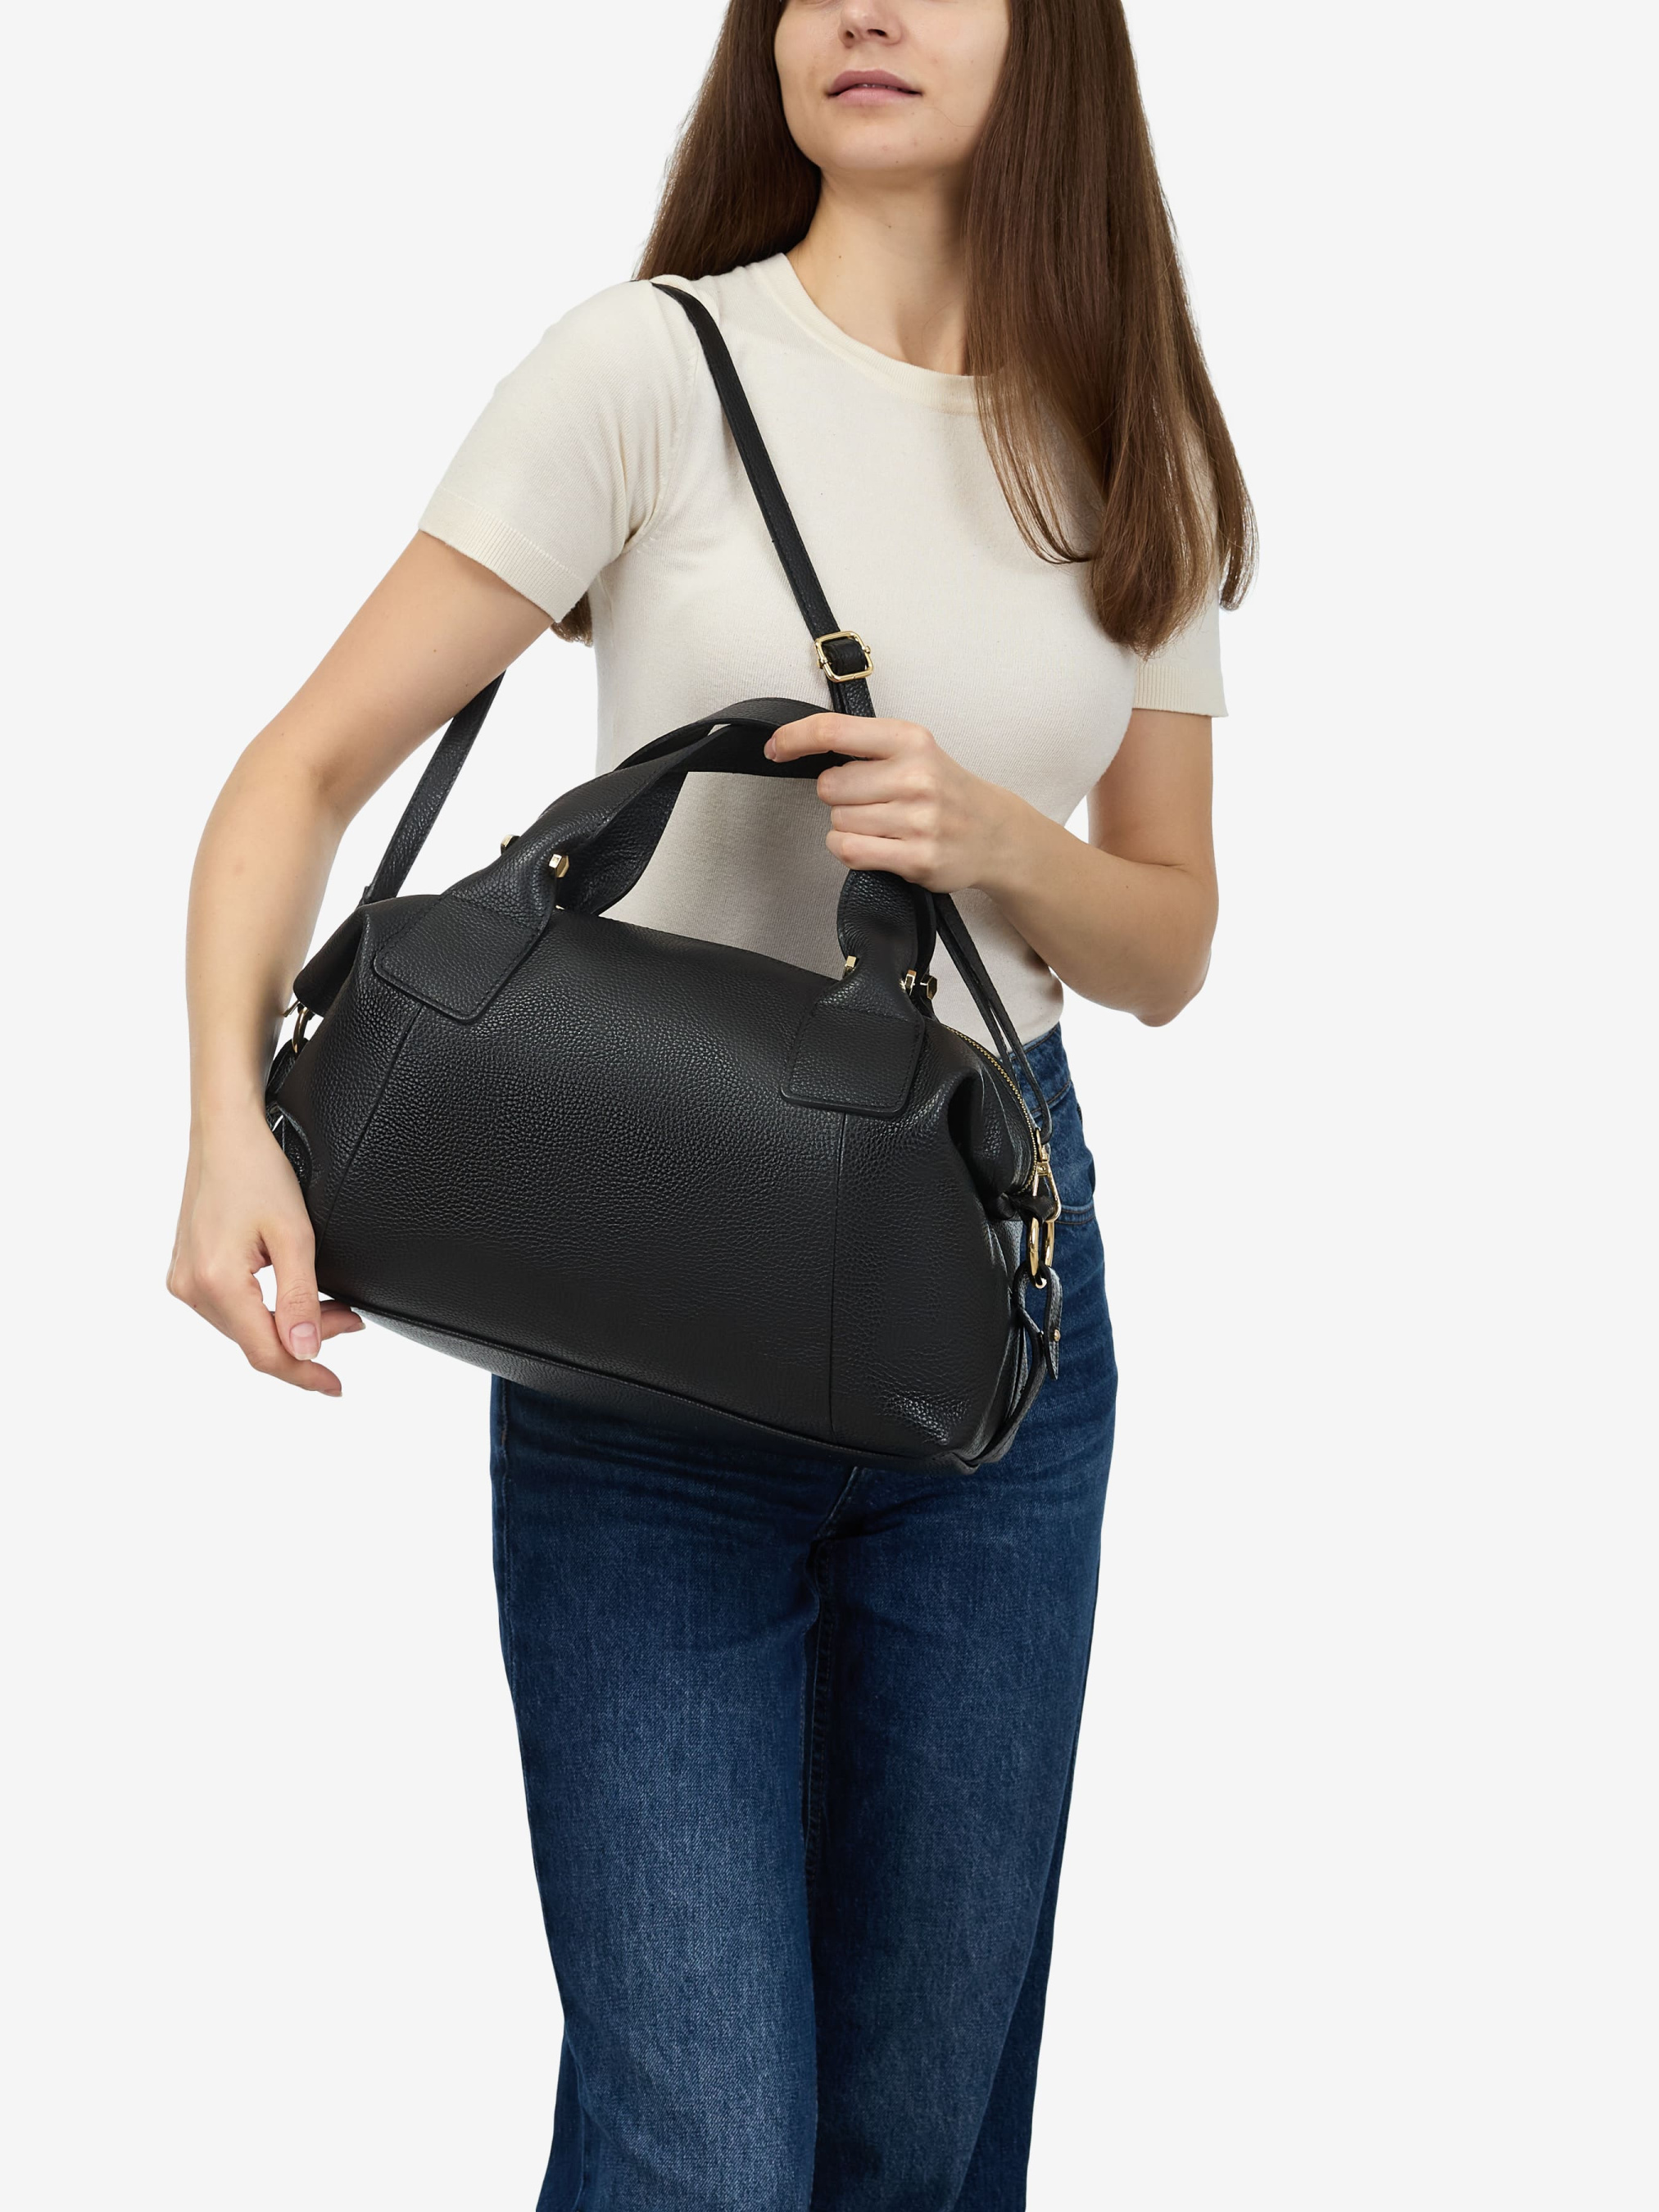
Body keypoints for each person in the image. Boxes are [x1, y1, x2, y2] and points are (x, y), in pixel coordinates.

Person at [168, 1, 1253, 2202]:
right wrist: (224, 1126)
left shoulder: (1133, 442)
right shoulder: (647, 370)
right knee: (706, 2152)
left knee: (915, 2132)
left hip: (990, 1312)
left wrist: (994, 840)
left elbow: (1166, 940)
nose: (864, 9)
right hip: (640, 1284)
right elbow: (301, 767)